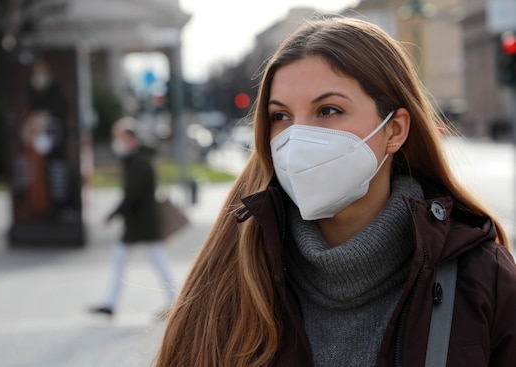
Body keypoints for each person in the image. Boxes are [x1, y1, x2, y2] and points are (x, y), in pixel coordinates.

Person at [155, 17, 516, 366]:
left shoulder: (483, 277)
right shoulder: (232, 274)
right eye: (280, 116)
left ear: (394, 130)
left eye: (328, 110)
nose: (297, 140)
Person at [90, 117, 177, 317]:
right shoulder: (136, 160)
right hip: (141, 222)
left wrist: (112, 215)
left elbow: (132, 195)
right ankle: (110, 304)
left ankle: (176, 302)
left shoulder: (139, 162)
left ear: (130, 138)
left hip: (143, 223)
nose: (116, 142)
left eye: (118, 137)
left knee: (155, 260)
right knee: (133, 259)